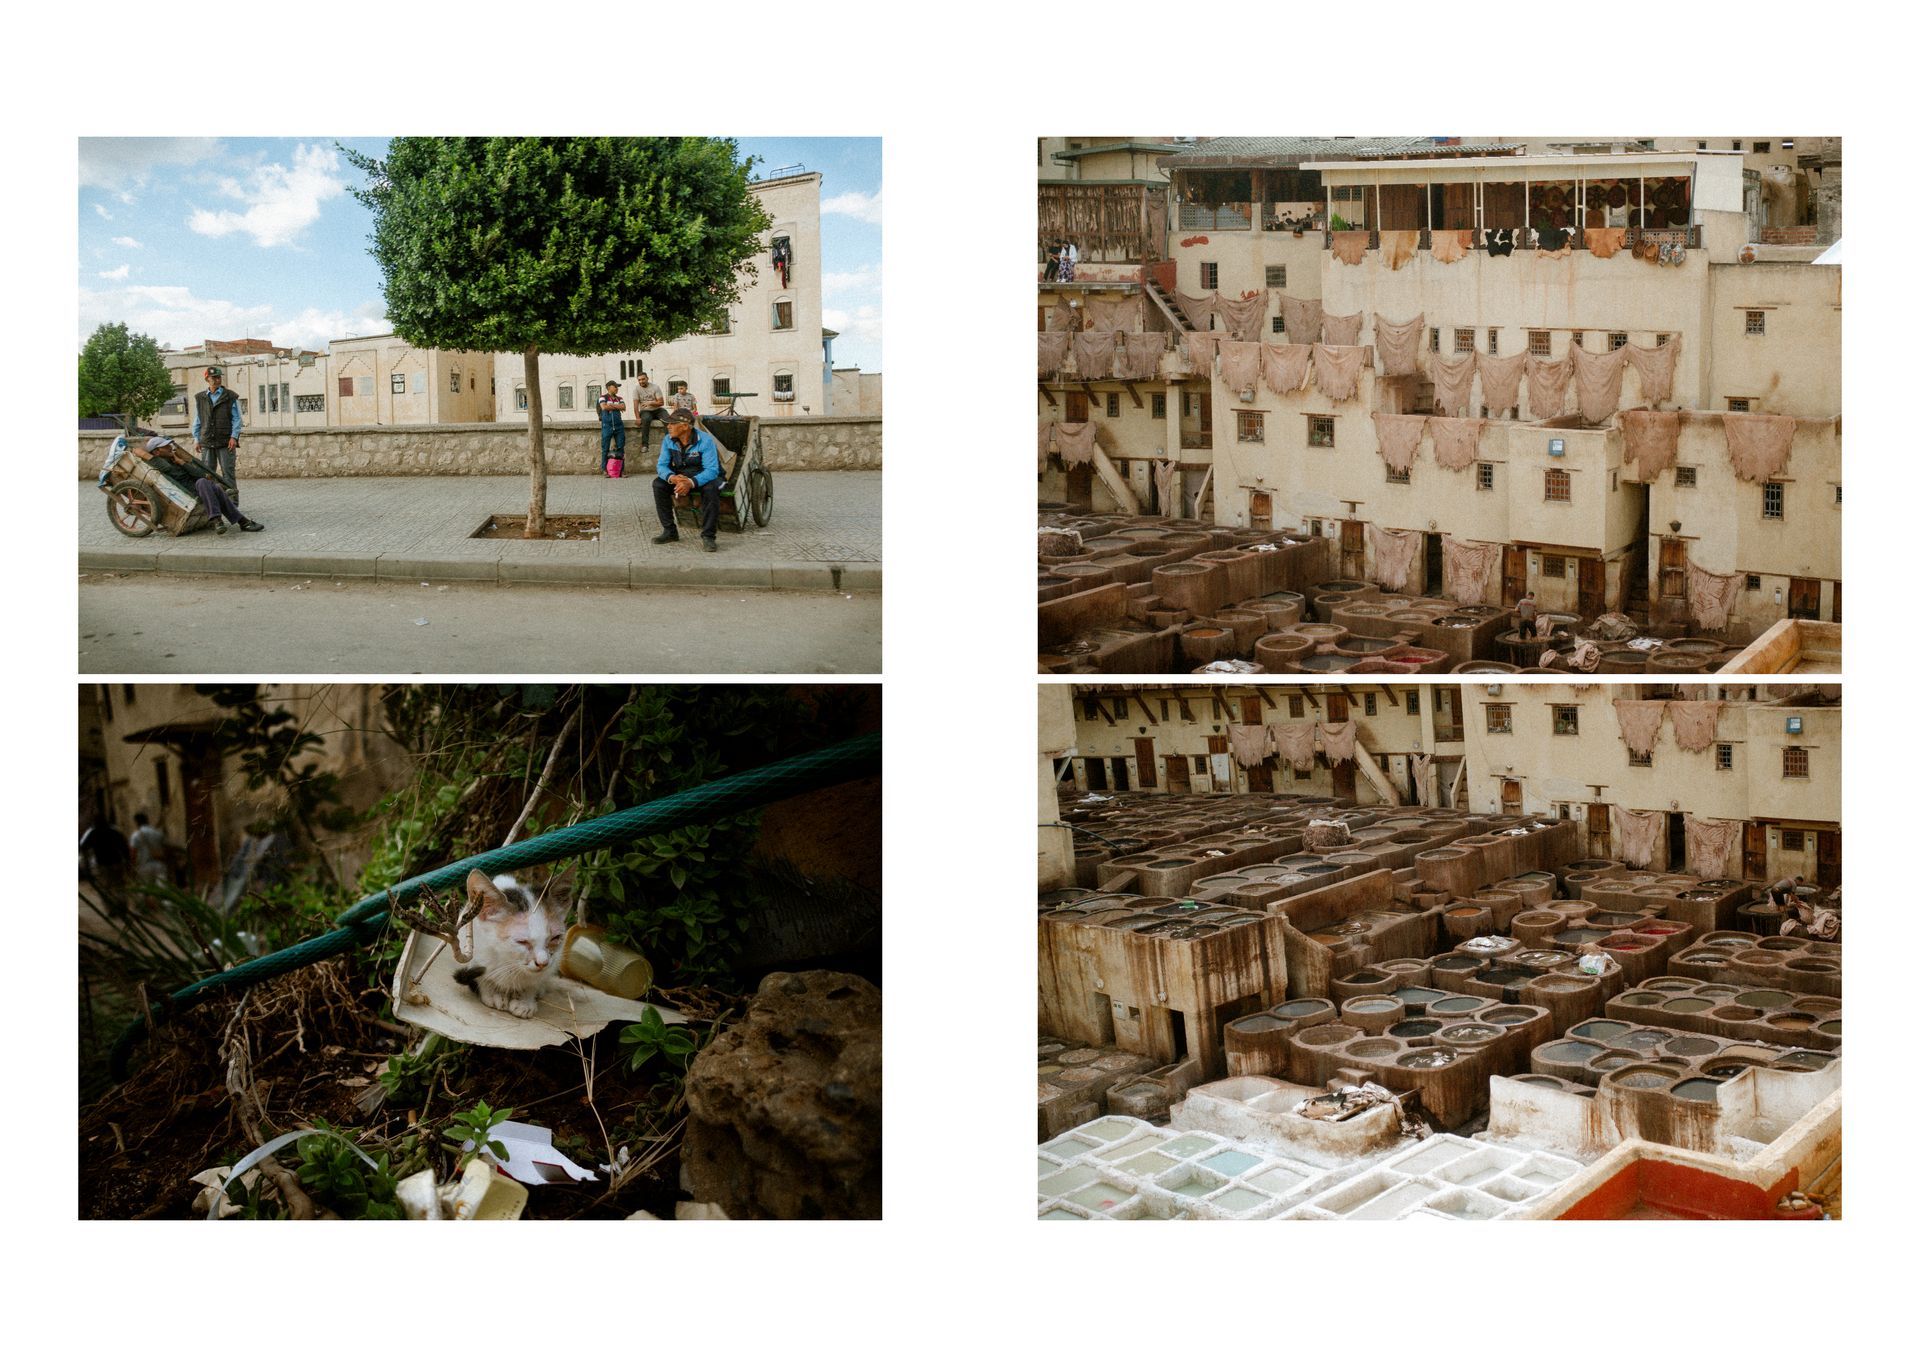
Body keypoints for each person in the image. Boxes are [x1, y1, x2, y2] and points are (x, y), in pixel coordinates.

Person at [139, 436, 261, 533]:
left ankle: (234, 521)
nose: (170, 448)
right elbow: (141, 452)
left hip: (199, 487)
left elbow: (199, 474)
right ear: (156, 452)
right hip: (184, 493)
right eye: (165, 447)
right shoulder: (158, 463)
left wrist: (182, 462)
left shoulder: (174, 459)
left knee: (213, 486)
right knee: (205, 483)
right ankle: (233, 521)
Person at [651, 409, 723, 553]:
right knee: (658, 484)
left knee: (711, 489)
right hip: (681, 477)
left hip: (704, 478)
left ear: (684, 426)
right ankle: (670, 531)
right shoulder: (668, 440)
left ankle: (708, 536)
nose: (668, 426)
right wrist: (673, 478)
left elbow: (712, 470)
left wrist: (690, 482)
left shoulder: (705, 440)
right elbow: (661, 466)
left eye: (672, 423)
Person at [193, 365, 244, 500]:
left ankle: (233, 502)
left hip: (225, 441)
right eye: (213, 377)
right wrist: (196, 439)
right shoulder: (200, 398)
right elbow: (198, 419)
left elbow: (237, 419)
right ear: (207, 379)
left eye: (218, 377)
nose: (217, 380)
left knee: (228, 473)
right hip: (207, 440)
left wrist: (234, 437)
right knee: (207, 474)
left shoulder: (230, 396)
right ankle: (211, 502)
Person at [630, 370, 668, 455]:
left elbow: (661, 402)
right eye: (639, 380)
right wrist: (637, 417)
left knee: (667, 420)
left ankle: (670, 443)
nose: (641, 381)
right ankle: (645, 445)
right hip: (645, 411)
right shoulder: (636, 389)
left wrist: (650, 403)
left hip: (658, 410)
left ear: (647, 378)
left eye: (643, 379)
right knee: (646, 420)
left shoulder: (655, 387)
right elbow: (635, 405)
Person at [129, 813, 171, 885]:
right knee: (162, 890)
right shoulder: (158, 833)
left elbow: (133, 853)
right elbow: (166, 849)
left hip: (144, 866)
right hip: (159, 864)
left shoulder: (135, 835)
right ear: (147, 820)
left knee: (143, 889)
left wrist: (132, 867)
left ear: (136, 822)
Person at [596, 380, 627, 473]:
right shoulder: (602, 397)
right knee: (605, 448)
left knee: (621, 448)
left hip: (619, 426)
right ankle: (604, 469)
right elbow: (604, 407)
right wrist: (617, 407)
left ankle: (621, 470)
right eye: (615, 387)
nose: (617, 389)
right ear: (609, 387)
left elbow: (624, 407)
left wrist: (611, 405)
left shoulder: (619, 398)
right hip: (607, 426)